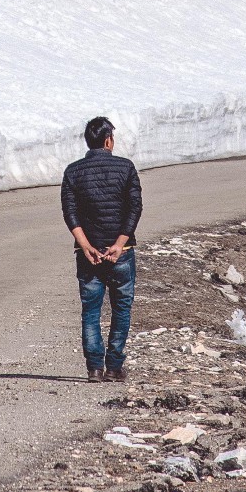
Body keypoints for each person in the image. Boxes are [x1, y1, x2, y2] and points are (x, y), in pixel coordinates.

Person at [60, 116, 142, 381]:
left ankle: (94, 368)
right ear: (108, 141)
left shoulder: (73, 171)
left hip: (88, 254)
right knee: (121, 308)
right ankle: (115, 366)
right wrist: (119, 244)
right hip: (122, 251)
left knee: (91, 310)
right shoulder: (126, 167)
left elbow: (69, 212)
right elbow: (134, 208)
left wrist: (85, 246)